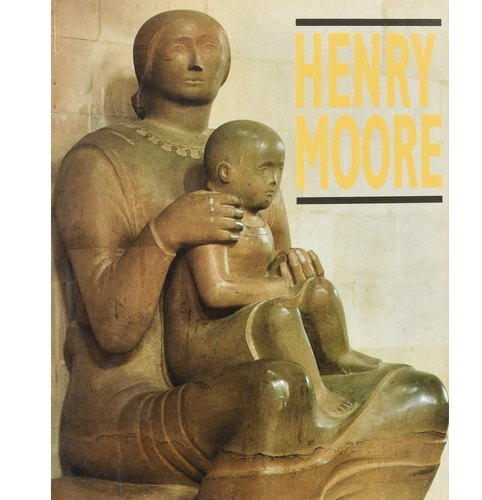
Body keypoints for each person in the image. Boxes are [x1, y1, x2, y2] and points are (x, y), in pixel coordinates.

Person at [54, 9, 448, 499]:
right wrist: (164, 233)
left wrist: (292, 268)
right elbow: (115, 331)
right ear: (145, 64)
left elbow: (275, 281)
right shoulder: (100, 160)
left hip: (249, 365)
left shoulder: (247, 156)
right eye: (177, 49)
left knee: (419, 396)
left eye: (209, 47)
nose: (197, 60)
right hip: (128, 406)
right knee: (275, 394)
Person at [165, 119, 381, 417]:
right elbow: (216, 291)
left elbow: (262, 269)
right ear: (225, 172)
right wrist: (281, 288)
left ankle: (338, 356)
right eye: (264, 170)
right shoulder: (208, 213)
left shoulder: (255, 215)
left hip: (242, 315)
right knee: (279, 313)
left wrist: (287, 264)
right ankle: (317, 392)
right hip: (201, 338)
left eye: (279, 169)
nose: (274, 180)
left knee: (318, 290)